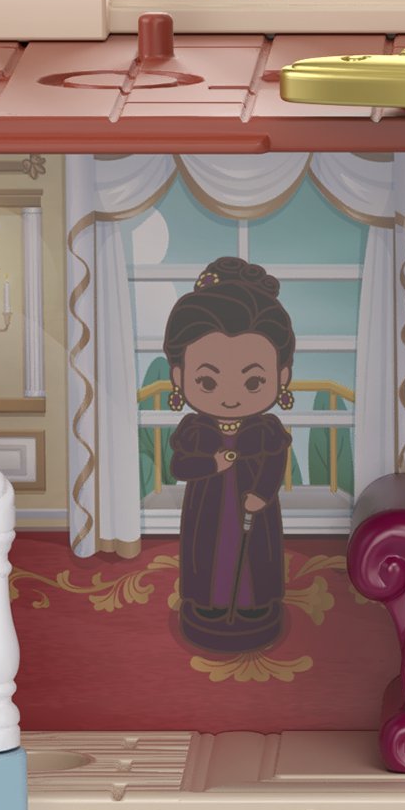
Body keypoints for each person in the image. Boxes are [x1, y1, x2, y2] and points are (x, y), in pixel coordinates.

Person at [163, 259, 295, 652]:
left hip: (255, 507)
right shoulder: (195, 430)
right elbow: (179, 466)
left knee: (256, 557)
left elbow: (275, 463)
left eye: (254, 381)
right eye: (207, 381)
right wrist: (212, 464)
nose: (232, 397)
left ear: (282, 377)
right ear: (179, 377)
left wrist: (263, 493)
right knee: (208, 554)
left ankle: (256, 607)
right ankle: (208, 606)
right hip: (208, 506)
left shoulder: (267, 430)